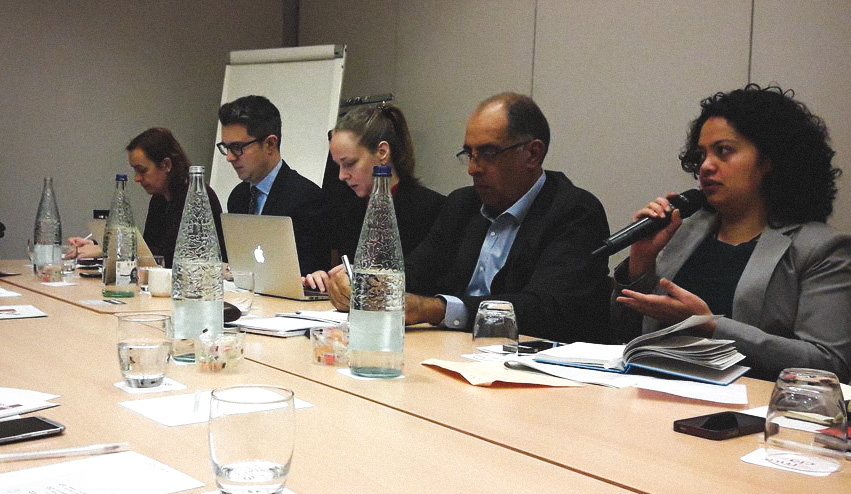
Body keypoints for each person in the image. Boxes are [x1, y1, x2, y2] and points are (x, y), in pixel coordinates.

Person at [612, 83, 851, 382]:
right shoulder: (685, 232)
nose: (706, 166)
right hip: (653, 392)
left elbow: (829, 364)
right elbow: (624, 336)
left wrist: (711, 326)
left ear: (769, 159)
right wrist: (641, 262)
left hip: (752, 405)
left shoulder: (821, 248)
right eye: (701, 155)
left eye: (724, 151)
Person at [327, 93, 612, 343]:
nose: (473, 168)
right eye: (469, 154)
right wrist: (361, 283)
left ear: (532, 154)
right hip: (456, 353)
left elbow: (545, 309)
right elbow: (414, 273)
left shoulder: (574, 212)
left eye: (488, 153)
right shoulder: (462, 205)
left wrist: (437, 309)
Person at [305, 103, 445, 291]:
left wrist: (361, 276)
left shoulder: (431, 209)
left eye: (350, 163)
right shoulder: (347, 210)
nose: (341, 176)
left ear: (382, 152)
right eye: (338, 165)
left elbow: (424, 282)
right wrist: (323, 280)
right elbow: (343, 272)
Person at [70, 128, 225, 267]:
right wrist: (97, 244)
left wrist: (106, 249)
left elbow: (170, 257)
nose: (137, 178)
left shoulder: (196, 197)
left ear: (166, 165)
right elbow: (148, 249)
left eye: (142, 170)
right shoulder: (159, 199)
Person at [217, 95, 329, 275]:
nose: (230, 157)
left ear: (270, 144)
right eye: (227, 148)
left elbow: (311, 274)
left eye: (237, 147)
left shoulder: (307, 199)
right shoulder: (238, 196)